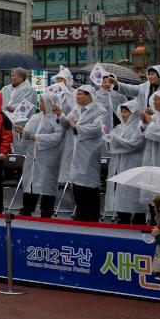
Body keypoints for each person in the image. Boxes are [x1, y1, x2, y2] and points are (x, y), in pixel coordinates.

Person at [61, 85, 108, 222]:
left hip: (90, 150)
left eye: (80, 94)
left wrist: (75, 126)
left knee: (89, 183)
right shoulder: (76, 109)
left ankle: (92, 215)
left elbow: (95, 129)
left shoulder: (100, 111)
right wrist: (59, 115)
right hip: (75, 150)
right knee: (76, 181)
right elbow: (66, 123)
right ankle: (80, 211)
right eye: (77, 94)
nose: (77, 96)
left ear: (89, 95)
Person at [19, 94, 65, 218]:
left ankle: (46, 210)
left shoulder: (57, 118)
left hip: (48, 157)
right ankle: (27, 208)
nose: (40, 104)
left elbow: (58, 136)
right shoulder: (35, 117)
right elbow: (28, 131)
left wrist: (38, 138)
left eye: (43, 102)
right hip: (32, 155)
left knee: (47, 184)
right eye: (39, 101)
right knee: (30, 182)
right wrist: (22, 132)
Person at [107, 101, 148, 224]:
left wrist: (116, 139)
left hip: (133, 163)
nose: (123, 114)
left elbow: (135, 144)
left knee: (133, 190)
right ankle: (123, 216)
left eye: (126, 112)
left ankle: (138, 217)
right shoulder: (119, 127)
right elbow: (111, 143)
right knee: (120, 189)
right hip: (119, 163)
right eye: (122, 112)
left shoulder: (139, 127)